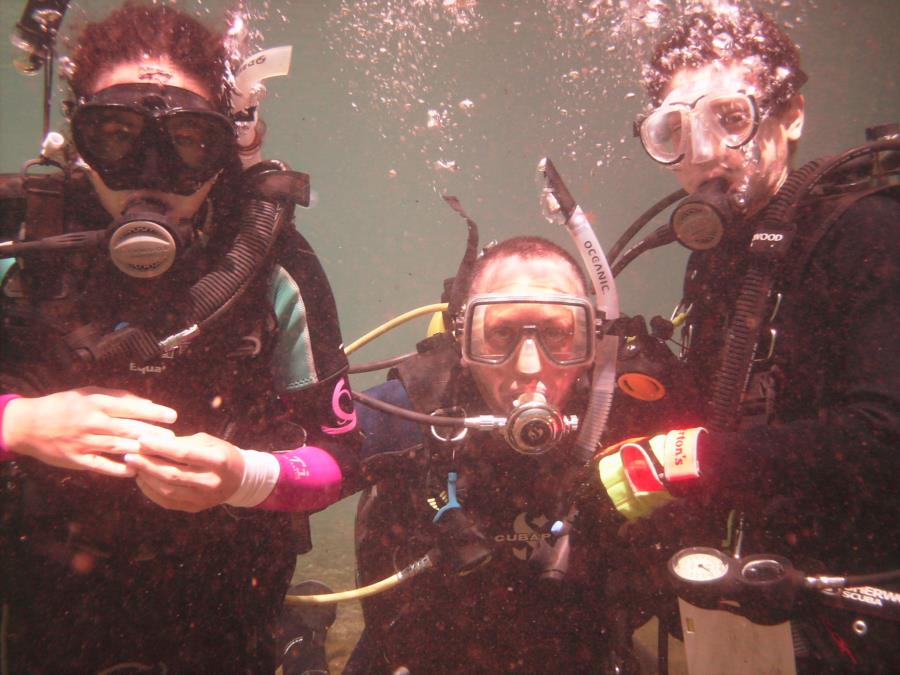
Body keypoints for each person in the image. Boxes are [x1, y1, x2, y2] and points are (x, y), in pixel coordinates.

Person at [0, 3, 360, 672]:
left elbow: (342, 458)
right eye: (115, 135)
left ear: (227, 148)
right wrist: (17, 423)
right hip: (50, 613)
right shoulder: (21, 242)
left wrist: (244, 477)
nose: (151, 174)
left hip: (224, 616)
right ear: (76, 144)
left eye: (188, 142)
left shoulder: (271, 263)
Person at [593, 6, 899, 670]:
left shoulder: (868, 234)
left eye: (729, 118)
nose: (701, 154)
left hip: (859, 603)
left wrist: (691, 458)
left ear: (791, 115)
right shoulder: (714, 255)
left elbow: (882, 436)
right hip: (756, 595)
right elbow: (728, 413)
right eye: (674, 131)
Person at [345, 236, 644, 673]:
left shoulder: (621, 413)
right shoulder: (417, 406)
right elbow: (309, 462)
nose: (528, 365)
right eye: (500, 333)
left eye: (558, 334)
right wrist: (247, 472)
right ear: (463, 342)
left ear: (593, 342)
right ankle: (305, 642)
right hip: (418, 656)